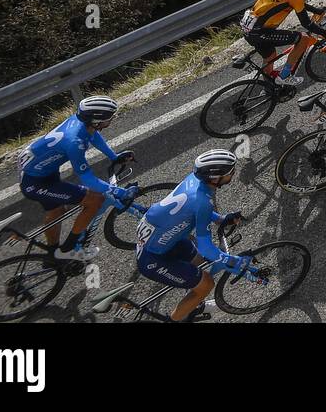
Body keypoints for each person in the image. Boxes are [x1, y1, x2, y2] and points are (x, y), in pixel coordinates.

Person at [135, 150, 249, 323]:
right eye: (230, 171)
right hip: (151, 258)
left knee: (199, 261)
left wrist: (220, 219)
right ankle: (175, 320)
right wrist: (230, 260)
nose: (233, 173)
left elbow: (193, 210)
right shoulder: (204, 200)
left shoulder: (195, 180)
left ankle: (194, 302)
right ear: (215, 178)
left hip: (158, 239)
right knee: (207, 283)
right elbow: (206, 246)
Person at [19, 96, 135, 262]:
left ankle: (53, 255)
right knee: (96, 200)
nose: (112, 118)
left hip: (39, 171)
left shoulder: (81, 122)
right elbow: (87, 179)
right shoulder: (75, 142)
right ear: (96, 121)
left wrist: (114, 157)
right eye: (109, 117)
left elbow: (93, 136)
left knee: (57, 210)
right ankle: (67, 250)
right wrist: (118, 191)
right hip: (35, 182)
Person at [239, 0, 326, 86]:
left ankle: (269, 87)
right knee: (303, 39)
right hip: (260, 32)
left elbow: (298, 4)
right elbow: (307, 24)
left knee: (270, 57)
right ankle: (285, 75)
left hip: (250, 28)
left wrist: (316, 10)